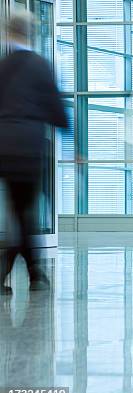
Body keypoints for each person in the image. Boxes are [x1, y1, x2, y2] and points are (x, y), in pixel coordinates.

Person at [0, 12, 68, 295]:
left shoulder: (2, 67)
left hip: (4, 148)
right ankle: (20, 269)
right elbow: (56, 107)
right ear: (31, 34)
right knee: (24, 211)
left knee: (19, 211)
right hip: (28, 149)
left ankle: (34, 272)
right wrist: (71, 139)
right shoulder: (40, 66)